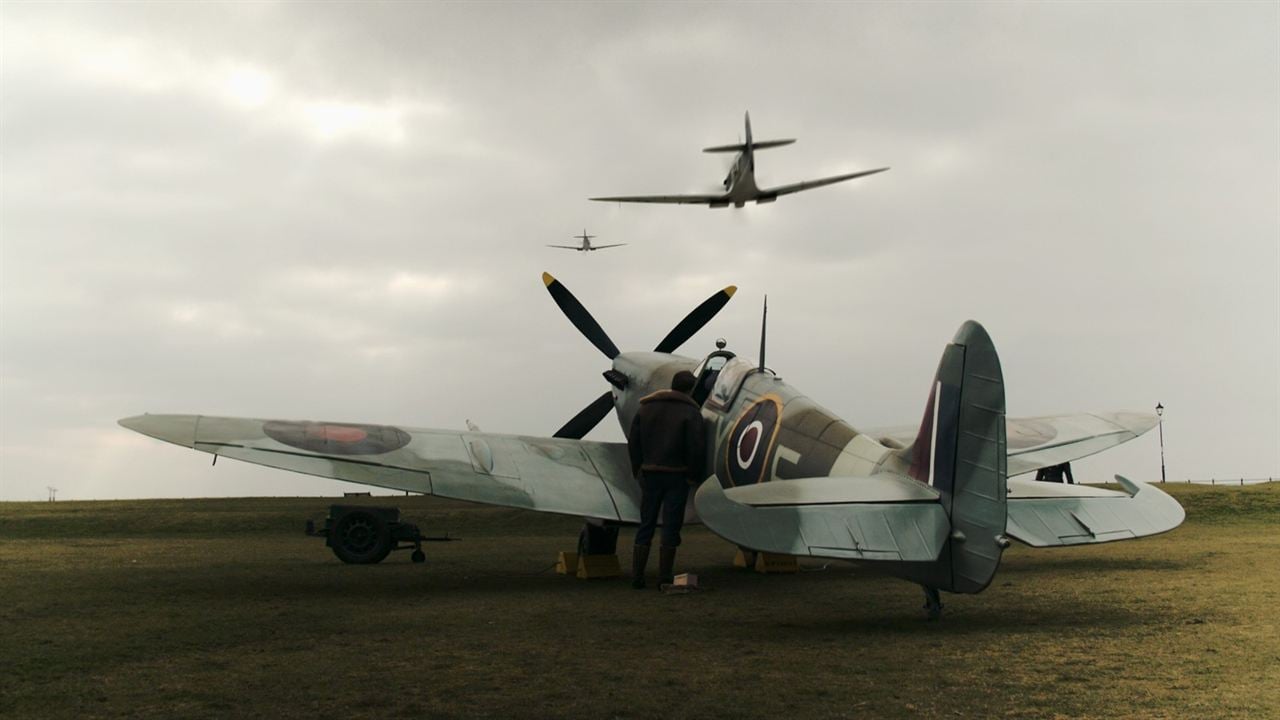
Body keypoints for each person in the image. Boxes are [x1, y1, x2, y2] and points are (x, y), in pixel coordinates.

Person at [627, 370, 707, 589]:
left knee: (646, 524)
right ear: (690, 389)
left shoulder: (645, 408)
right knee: (671, 526)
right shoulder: (691, 413)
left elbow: (634, 443)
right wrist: (693, 475)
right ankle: (664, 577)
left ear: (672, 385)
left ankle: (637, 577)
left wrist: (638, 470)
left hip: (650, 475)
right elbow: (696, 447)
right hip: (677, 477)